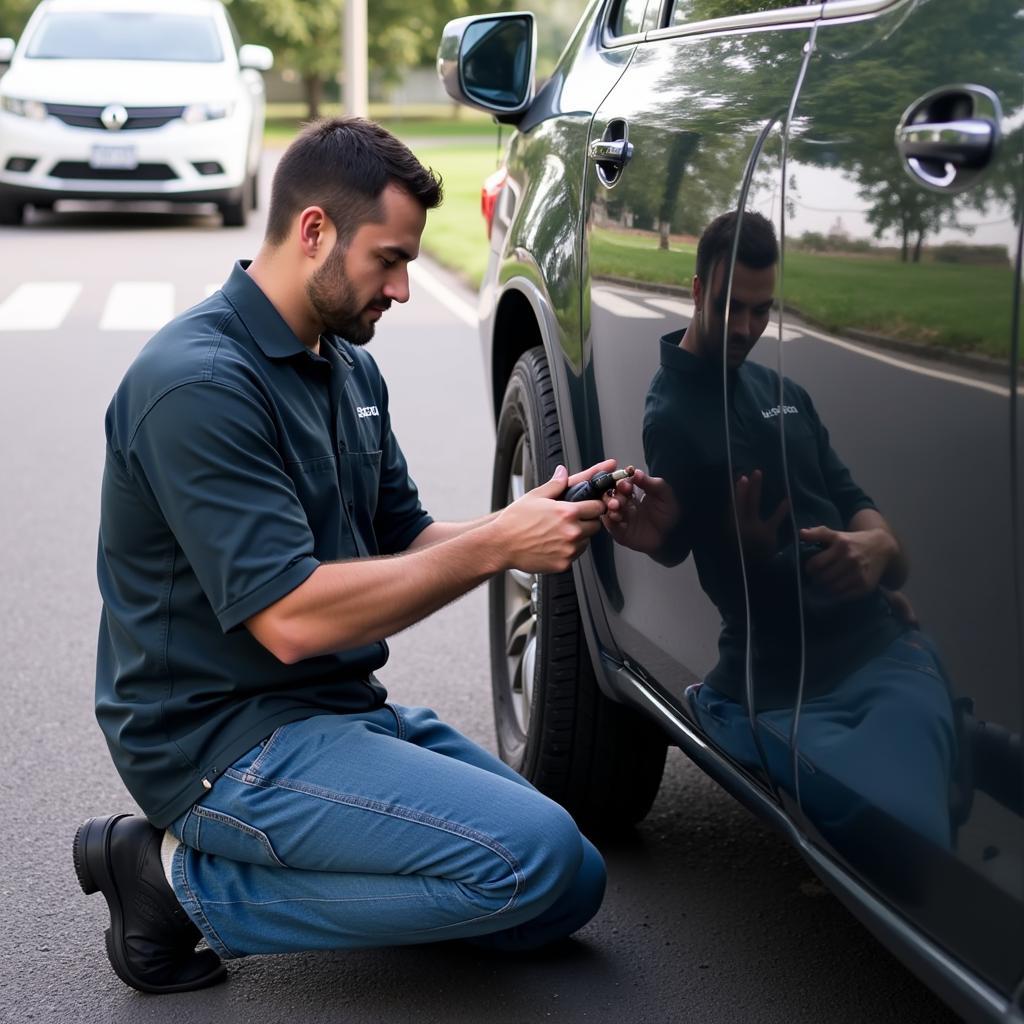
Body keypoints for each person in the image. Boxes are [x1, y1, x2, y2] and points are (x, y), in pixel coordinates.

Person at [74, 117, 610, 995]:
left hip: (337, 710)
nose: (402, 289)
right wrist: (494, 551)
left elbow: (412, 538)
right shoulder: (198, 383)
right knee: (530, 863)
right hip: (222, 741)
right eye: (388, 260)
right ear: (315, 230)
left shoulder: (349, 368)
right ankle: (172, 884)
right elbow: (290, 618)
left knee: (569, 882)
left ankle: (338, 860)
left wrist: (536, 522)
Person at [601, 210, 959, 860]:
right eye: (730, 307)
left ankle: (959, 742)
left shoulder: (782, 388)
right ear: (695, 290)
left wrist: (878, 548)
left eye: (762, 311)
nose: (746, 329)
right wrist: (743, 552)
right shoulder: (675, 414)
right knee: (910, 833)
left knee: (934, 777)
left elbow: (858, 506)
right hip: (794, 679)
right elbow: (687, 549)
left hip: (883, 646)